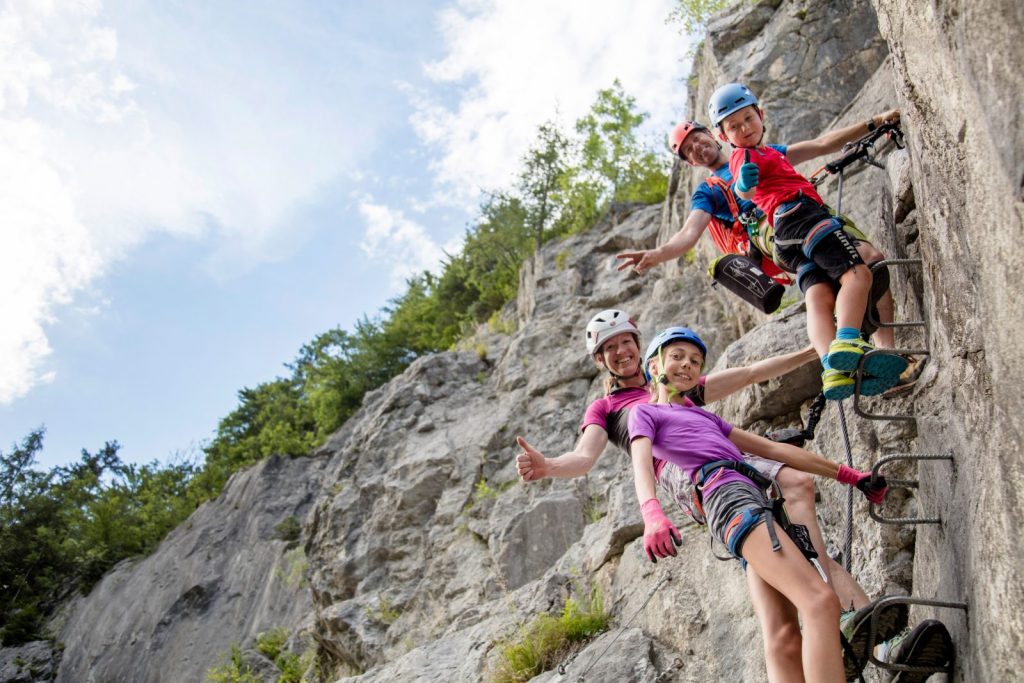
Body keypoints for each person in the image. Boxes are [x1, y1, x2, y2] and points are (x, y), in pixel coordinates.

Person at [515, 309, 904, 679]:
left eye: (625, 342)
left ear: (639, 345)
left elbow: (750, 374)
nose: (621, 352)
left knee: (800, 497)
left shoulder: (682, 388)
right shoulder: (615, 408)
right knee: (810, 584)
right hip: (692, 475)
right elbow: (585, 457)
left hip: (727, 458)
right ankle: (830, 604)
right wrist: (549, 466)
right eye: (610, 348)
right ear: (601, 359)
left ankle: (870, 633)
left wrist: (817, 350)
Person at [629, 326, 889, 682]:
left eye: (695, 361)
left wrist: (849, 475)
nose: (686, 365)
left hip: (752, 497)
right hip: (729, 498)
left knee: (783, 635)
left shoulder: (707, 417)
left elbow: (774, 451)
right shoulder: (646, 414)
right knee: (820, 602)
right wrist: (651, 513)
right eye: (676, 356)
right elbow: (640, 462)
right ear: (655, 364)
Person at [616, 105, 911, 398]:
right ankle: (879, 348)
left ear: (711, 134)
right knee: (867, 262)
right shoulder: (709, 189)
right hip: (786, 224)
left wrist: (873, 122)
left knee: (820, 292)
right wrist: (659, 253)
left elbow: (821, 145)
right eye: (689, 150)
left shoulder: (762, 151)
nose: (697, 148)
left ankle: (846, 367)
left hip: (784, 242)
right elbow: (690, 232)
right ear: (691, 162)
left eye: (698, 139)